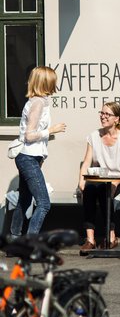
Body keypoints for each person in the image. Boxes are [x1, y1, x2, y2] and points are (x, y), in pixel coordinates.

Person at [11, 66, 66, 237]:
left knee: (25, 199)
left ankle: (15, 240)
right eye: (52, 81)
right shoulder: (38, 103)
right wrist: (51, 130)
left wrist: (41, 156)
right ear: (45, 82)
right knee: (44, 203)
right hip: (27, 157)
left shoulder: (39, 101)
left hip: (29, 157)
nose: (55, 84)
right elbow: (29, 135)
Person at [77, 102, 120, 254]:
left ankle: (111, 236)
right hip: (99, 178)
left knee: (105, 190)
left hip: (119, 179)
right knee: (89, 189)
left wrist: (115, 183)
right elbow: (86, 162)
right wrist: (81, 181)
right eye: (102, 113)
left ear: (117, 118)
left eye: (107, 114)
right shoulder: (94, 136)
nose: (103, 116)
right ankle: (90, 239)